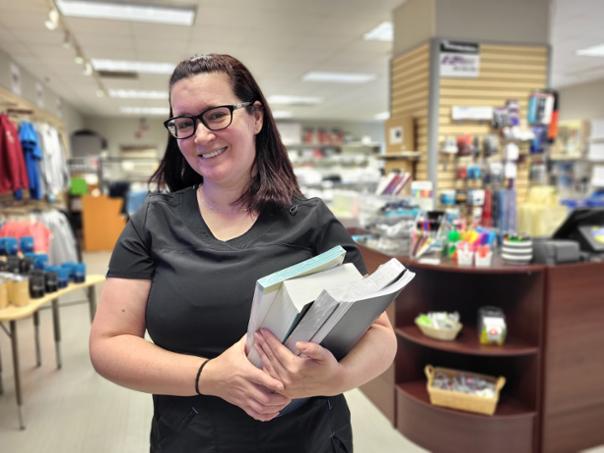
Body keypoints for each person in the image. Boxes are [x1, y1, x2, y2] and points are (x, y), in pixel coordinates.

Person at [89, 53, 397, 453]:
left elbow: (380, 335)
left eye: (217, 115)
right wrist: (210, 375)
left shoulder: (311, 222)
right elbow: (109, 343)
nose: (200, 136)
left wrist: (334, 379)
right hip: (191, 442)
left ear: (255, 117)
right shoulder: (153, 222)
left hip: (308, 440)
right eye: (184, 123)